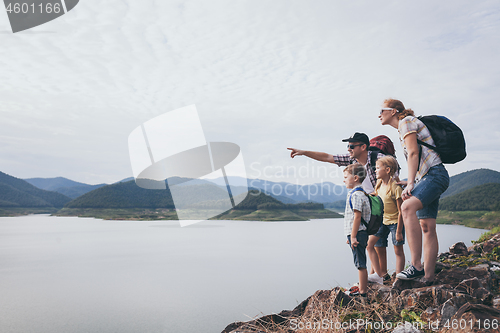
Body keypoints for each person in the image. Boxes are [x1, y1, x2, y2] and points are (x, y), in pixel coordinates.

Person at [379, 98, 449, 283]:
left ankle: (416, 265)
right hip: (427, 177)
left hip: (434, 175)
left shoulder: (406, 122)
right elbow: (416, 157)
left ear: (393, 111)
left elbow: (413, 153)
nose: (379, 114)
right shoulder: (406, 124)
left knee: (407, 207)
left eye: (382, 110)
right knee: (427, 227)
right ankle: (428, 277)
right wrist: (411, 181)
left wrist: (410, 183)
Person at [288, 132, 392, 194]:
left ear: (363, 147)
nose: (348, 149)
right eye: (348, 146)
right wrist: (304, 152)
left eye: (352, 146)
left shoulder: (379, 159)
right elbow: (327, 157)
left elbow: (394, 179)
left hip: (385, 205)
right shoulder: (351, 160)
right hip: (370, 206)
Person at [366, 156, 405, 284]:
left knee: (398, 250)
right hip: (382, 222)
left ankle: (399, 278)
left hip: (395, 223)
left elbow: (401, 211)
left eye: (378, 168)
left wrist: (399, 231)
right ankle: (381, 275)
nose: (375, 170)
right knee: (372, 246)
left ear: (387, 170)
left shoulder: (395, 187)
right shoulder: (378, 186)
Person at [343, 163, 371, 299]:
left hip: (358, 233)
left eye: (345, 177)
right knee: (359, 262)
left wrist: (353, 236)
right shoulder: (358, 193)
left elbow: (357, 216)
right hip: (357, 233)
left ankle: (363, 293)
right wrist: (350, 235)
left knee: (360, 264)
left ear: (355, 178)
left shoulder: (356, 195)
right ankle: (362, 288)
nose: (344, 180)